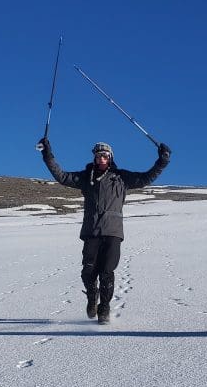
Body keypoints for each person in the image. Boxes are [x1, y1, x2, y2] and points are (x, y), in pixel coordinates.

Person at [38, 138, 170, 324]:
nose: (101, 158)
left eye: (105, 155)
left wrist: (162, 161)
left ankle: (104, 308)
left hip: (113, 232)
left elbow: (146, 178)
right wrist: (47, 154)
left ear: (110, 158)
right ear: (94, 157)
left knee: (107, 271)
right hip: (91, 231)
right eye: (98, 155)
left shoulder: (122, 177)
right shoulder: (86, 177)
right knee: (88, 271)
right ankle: (92, 296)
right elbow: (61, 175)